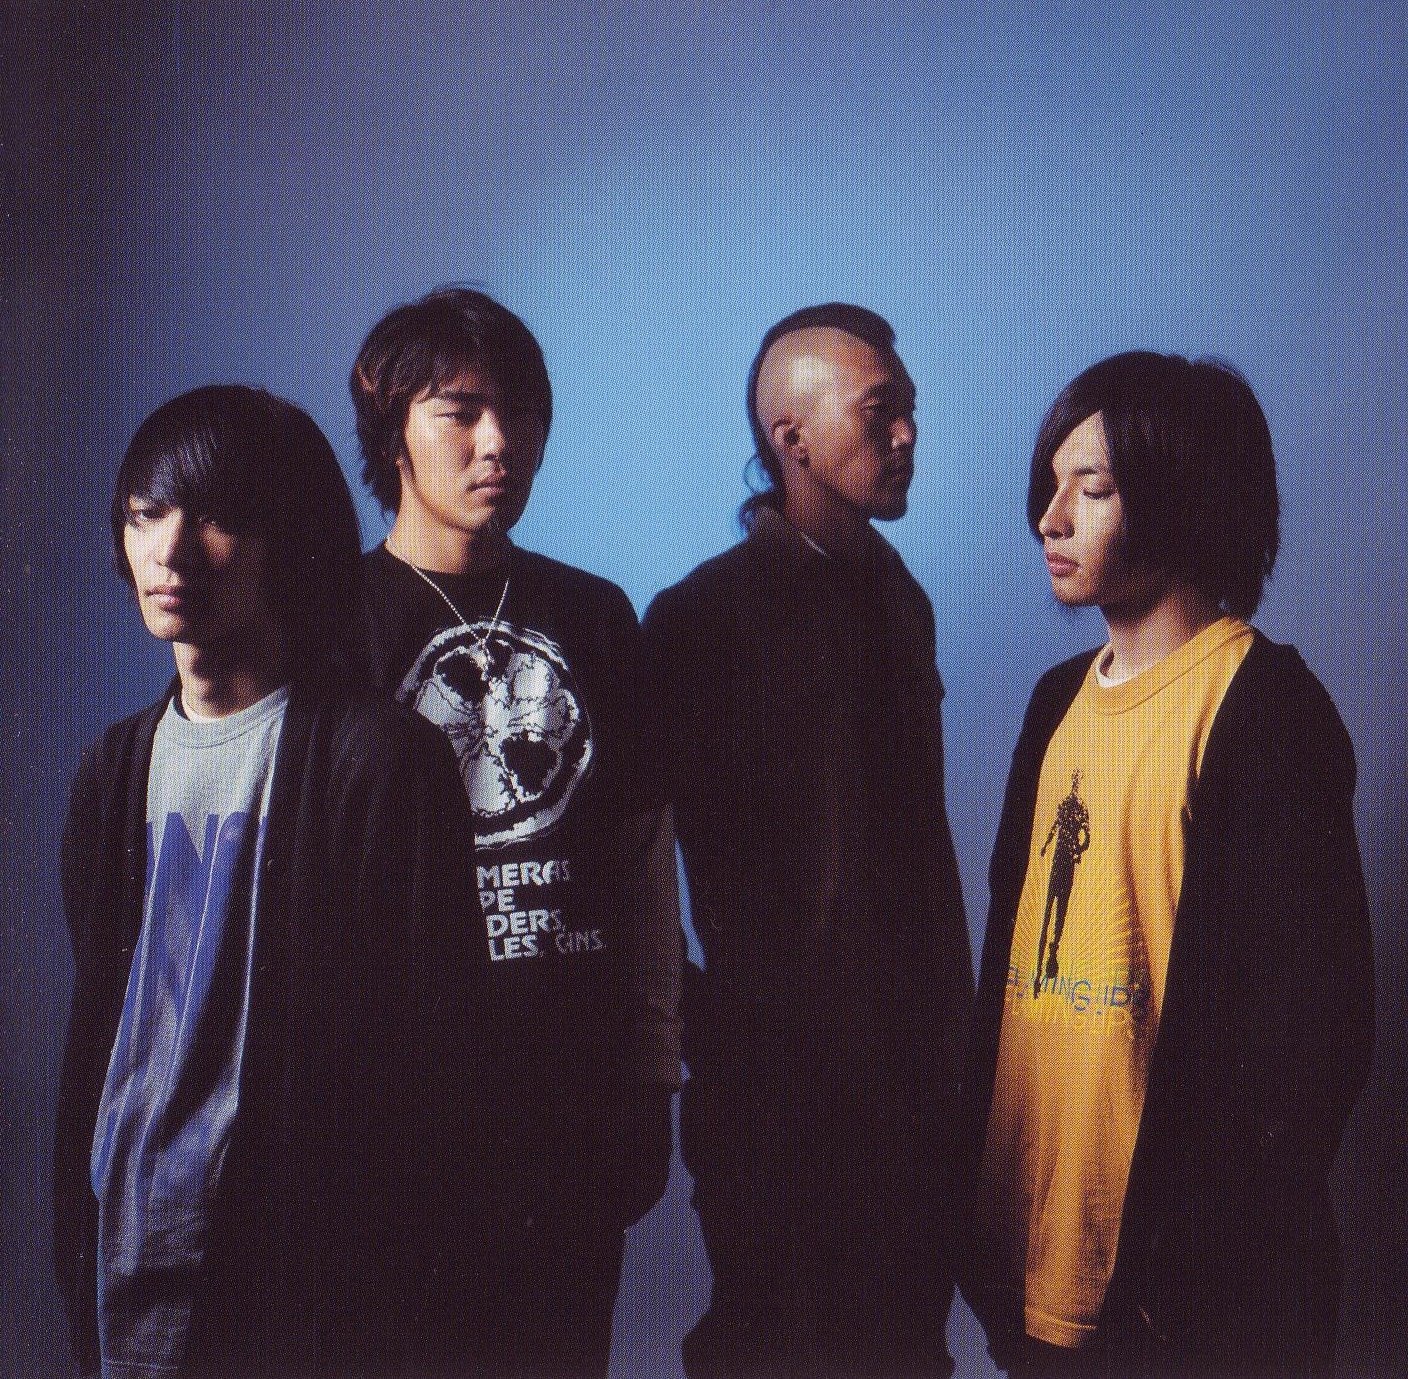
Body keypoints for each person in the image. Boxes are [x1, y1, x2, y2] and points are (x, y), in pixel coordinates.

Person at [955, 352, 1375, 1378]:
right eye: (1050, 486)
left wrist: (1199, 1259)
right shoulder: (1054, 702)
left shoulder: (1265, 708)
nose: (1049, 518)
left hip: (1178, 1306)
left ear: (1183, 499)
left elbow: (1320, 1036)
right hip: (1028, 1267)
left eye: (1090, 489)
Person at [54, 385, 483, 1378]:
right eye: (146, 513)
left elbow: (436, 1060)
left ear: (289, 541)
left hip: (296, 1272)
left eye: (217, 517)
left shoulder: (380, 759)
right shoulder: (112, 770)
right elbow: (110, 1028)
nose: (171, 550)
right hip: (123, 1241)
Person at [351, 286, 682, 1379]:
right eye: (461, 411)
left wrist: (653, 1071)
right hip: (404, 1117)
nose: (499, 442)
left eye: (522, 413)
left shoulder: (594, 615)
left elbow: (643, 861)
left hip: (573, 1105)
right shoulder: (331, 621)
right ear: (392, 429)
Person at [644, 303, 974, 1377]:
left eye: (910, 410)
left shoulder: (902, 601)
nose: (908, 433)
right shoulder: (700, 617)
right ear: (790, 435)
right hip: (777, 1108)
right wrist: (709, 1025)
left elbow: (919, 859)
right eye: (881, 411)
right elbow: (626, 854)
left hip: (916, 1095)